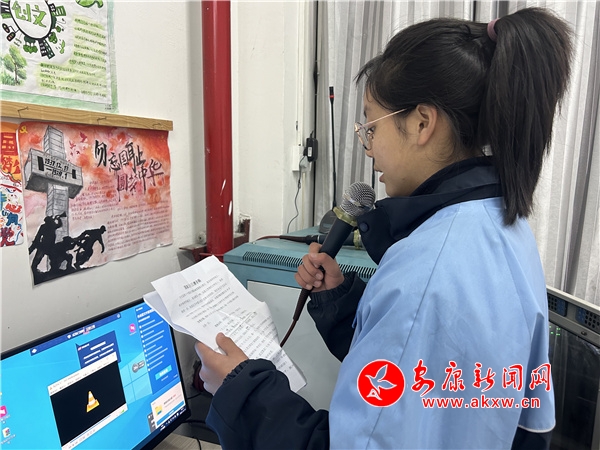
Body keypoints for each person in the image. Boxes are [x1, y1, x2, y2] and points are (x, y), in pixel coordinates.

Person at [194, 7, 573, 449]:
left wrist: (240, 391)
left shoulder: (425, 271)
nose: (368, 149)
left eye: (371, 127)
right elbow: (428, 374)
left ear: (422, 123)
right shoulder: (505, 227)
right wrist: (341, 302)